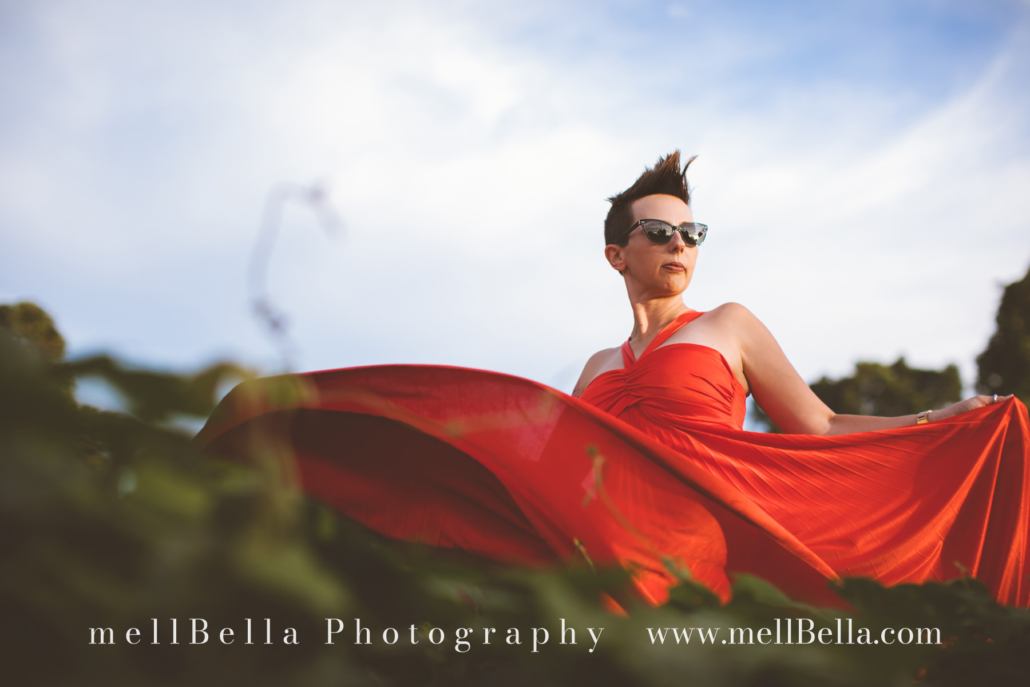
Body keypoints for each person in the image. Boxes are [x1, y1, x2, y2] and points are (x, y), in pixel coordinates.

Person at [195, 152, 1030, 609]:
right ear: (616, 254)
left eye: (691, 230)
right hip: (598, 542)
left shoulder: (729, 325)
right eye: (659, 230)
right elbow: (549, 472)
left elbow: (814, 425)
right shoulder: (596, 368)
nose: (680, 242)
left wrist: (938, 416)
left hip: (698, 537)